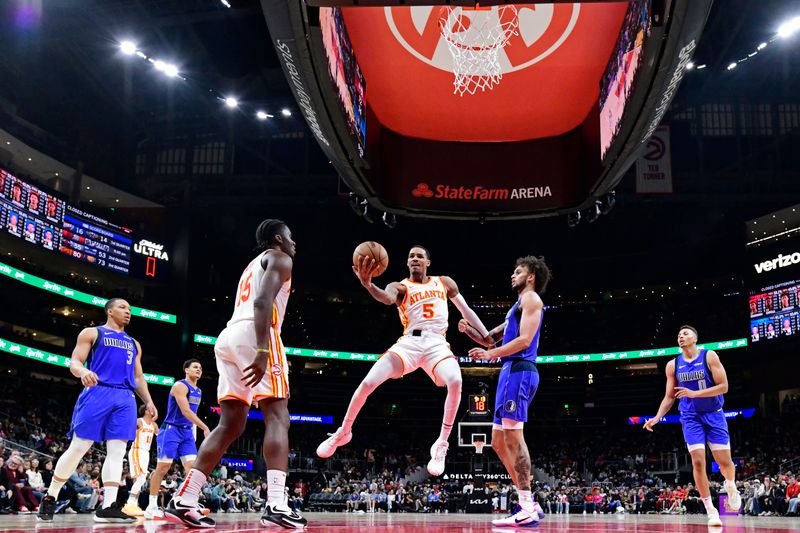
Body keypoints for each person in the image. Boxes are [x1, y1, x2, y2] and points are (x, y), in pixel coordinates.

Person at [166, 219, 306, 529]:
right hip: (257, 333)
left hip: (227, 337)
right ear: (279, 238)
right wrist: (263, 350)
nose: (294, 243)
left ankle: (184, 499)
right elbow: (262, 301)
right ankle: (277, 505)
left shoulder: (252, 265)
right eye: (291, 237)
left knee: (230, 424)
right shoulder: (282, 258)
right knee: (278, 417)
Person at [316, 245, 490, 477]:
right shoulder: (399, 287)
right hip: (409, 343)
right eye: (411, 257)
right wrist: (368, 285)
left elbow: (466, 310)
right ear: (407, 263)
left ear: (428, 262)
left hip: (436, 343)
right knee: (368, 382)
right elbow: (386, 299)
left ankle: (441, 443)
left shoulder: (444, 282)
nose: (415, 259)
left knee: (456, 380)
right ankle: (344, 431)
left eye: (419, 256)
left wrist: (486, 335)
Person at [37, 298, 158, 523]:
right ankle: (51, 495)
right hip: (97, 391)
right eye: (123, 308)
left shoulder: (134, 343)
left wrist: (148, 401)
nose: (128, 312)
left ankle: (108, 507)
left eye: (130, 309)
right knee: (79, 447)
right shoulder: (92, 333)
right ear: (110, 311)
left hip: (125, 396)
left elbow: (139, 376)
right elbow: (75, 361)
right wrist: (83, 372)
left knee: (117, 451)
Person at [459, 255, 551, 528]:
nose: (513, 275)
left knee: (513, 438)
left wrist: (491, 355)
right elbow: (489, 338)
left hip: (520, 370)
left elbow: (523, 340)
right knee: (498, 442)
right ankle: (529, 503)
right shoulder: (516, 306)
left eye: (518, 271)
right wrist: (470, 332)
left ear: (531, 276)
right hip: (508, 372)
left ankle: (526, 506)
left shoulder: (532, 299)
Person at [643, 325, 741, 527]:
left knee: (724, 463)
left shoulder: (709, 356)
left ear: (695, 339)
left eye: (685, 334)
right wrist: (657, 417)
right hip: (690, 417)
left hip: (714, 414)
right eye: (679, 334)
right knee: (697, 461)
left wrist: (695, 393)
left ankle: (730, 485)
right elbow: (669, 397)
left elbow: (724, 387)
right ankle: (711, 510)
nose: (681, 336)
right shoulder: (673, 365)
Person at [144, 359, 209, 519]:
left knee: (193, 470)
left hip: (187, 433)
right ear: (186, 370)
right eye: (195, 367)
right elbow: (186, 411)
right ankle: (151, 506)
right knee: (163, 468)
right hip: (171, 430)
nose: (199, 369)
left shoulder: (198, 391)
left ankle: (186, 502)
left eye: (200, 368)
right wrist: (204, 427)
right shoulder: (180, 386)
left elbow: (190, 416)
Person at [122, 405, 159, 517]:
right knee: (141, 478)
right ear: (146, 411)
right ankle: (130, 502)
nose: (153, 410)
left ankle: (133, 503)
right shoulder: (139, 421)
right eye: (151, 409)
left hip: (146, 453)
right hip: (137, 450)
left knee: (140, 479)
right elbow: (127, 427)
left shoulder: (154, 425)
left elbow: (160, 436)